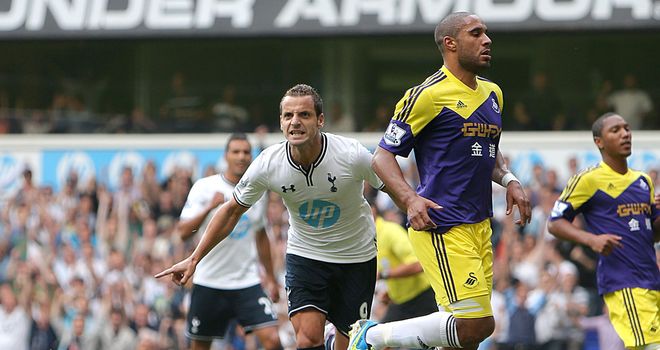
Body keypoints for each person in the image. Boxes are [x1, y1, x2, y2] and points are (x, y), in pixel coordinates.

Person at [156, 84, 388, 350]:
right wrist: (193, 258)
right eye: (288, 116)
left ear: (320, 120)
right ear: (280, 122)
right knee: (307, 339)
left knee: (348, 344)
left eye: (304, 115)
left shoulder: (350, 154)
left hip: (353, 257)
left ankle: (334, 339)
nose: (295, 122)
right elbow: (226, 213)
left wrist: (417, 205)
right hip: (301, 256)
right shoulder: (262, 166)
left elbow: (394, 187)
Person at [350, 12, 531, 350]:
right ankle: (371, 336)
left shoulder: (494, 94)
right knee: (476, 324)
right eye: (475, 33)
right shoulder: (427, 95)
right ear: (450, 44)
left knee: (463, 340)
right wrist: (410, 199)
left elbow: (487, 150)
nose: (487, 40)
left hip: (480, 225)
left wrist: (509, 179)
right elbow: (382, 157)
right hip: (442, 225)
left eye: (486, 33)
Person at [547, 112, 660, 349]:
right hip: (624, 282)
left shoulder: (643, 182)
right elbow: (555, 222)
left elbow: (651, 234)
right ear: (599, 141)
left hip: (651, 279)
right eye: (615, 130)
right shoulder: (588, 179)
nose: (625, 134)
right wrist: (591, 239)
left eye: (627, 128)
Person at [173, 133, 282, 350]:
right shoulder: (204, 187)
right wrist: (208, 208)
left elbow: (261, 235)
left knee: (272, 340)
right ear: (226, 156)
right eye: (236, 152)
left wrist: (270, 277)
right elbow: (183, 232)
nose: (241, 156)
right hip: (209, 282)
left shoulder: (257, 191)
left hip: (246, 282)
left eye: (245, 152)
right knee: (200, 346)